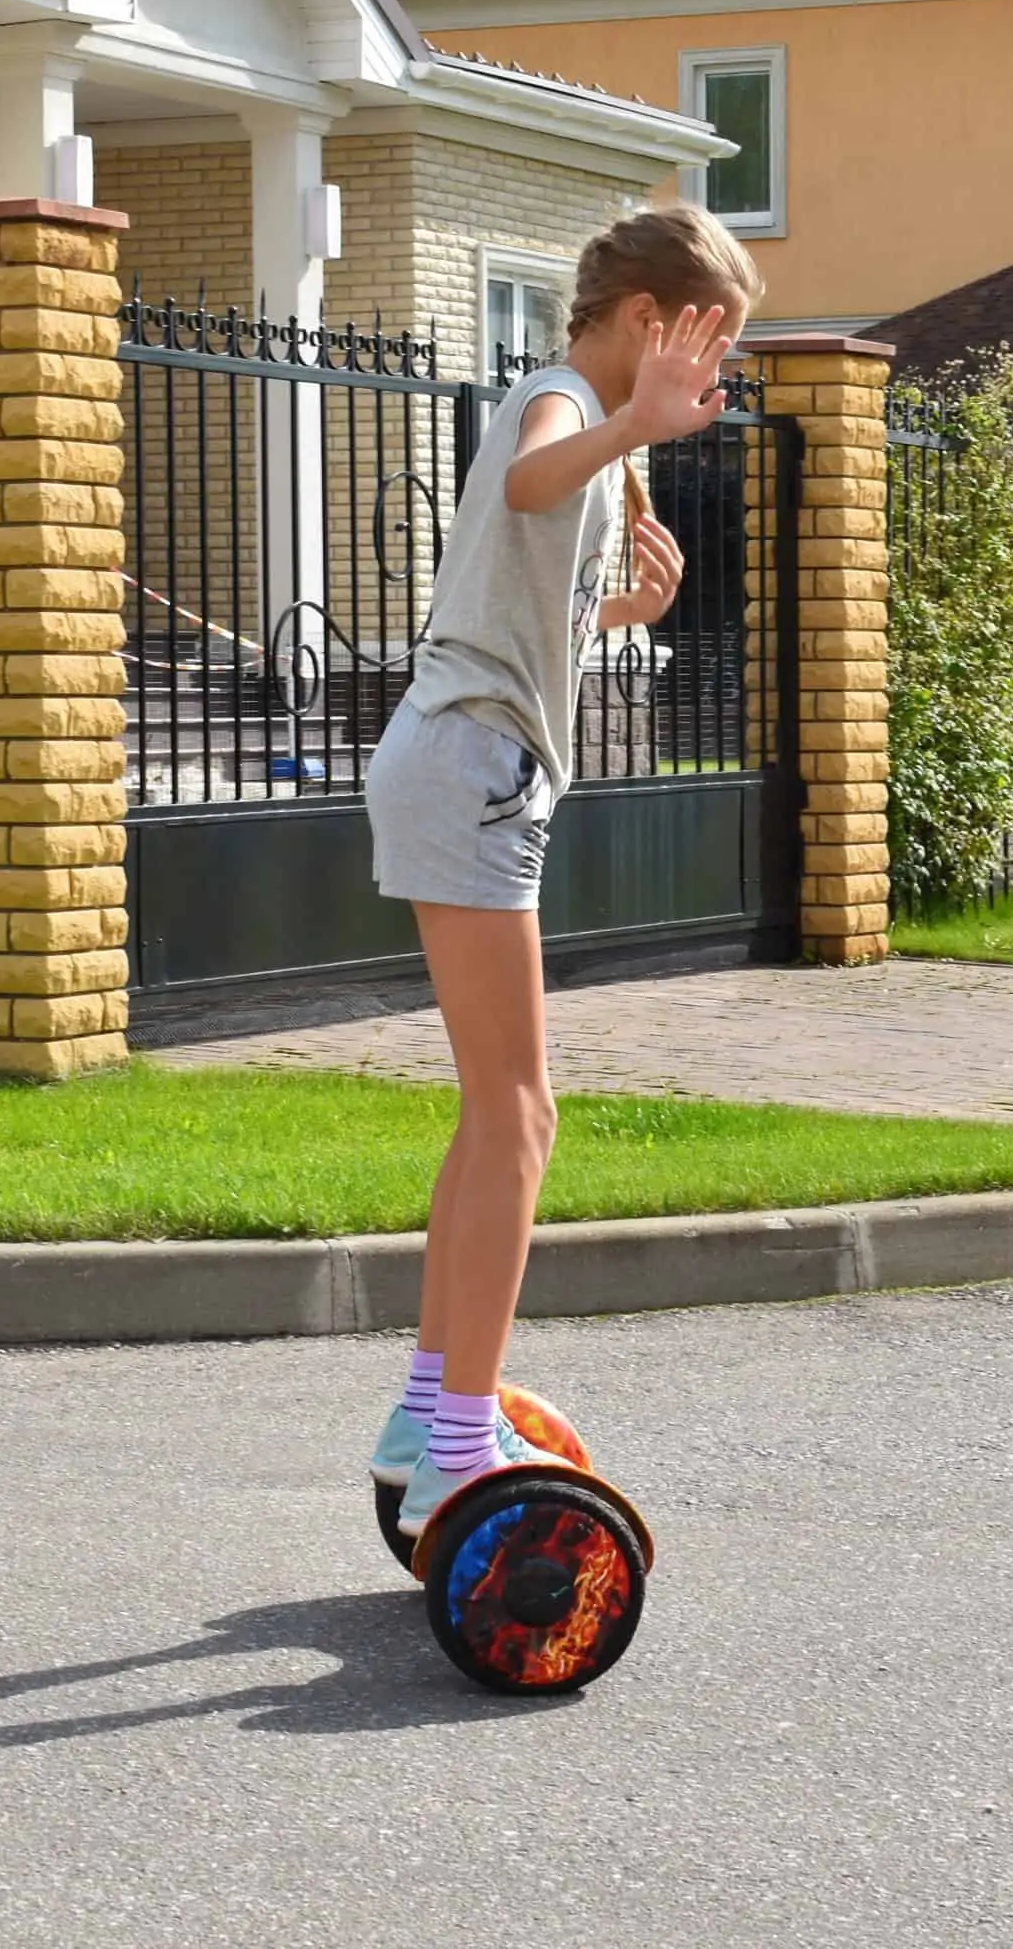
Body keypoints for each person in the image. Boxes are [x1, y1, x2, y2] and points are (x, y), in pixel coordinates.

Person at [363, 205, 763, 1537]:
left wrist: (618, 614)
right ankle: (461, 1446)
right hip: (471, 771)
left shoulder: (587, 425)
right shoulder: (555, 403)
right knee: (525, 1116)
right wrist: (635, 424)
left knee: (496, 1113)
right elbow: (538, 479)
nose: (712, 385)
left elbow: (515, 591)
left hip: (465, 761)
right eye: (711, 353)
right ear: (655, 323)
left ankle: (432, 1407)